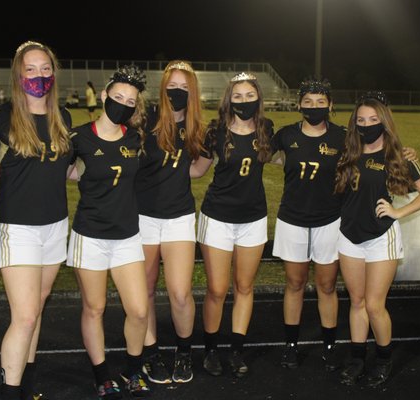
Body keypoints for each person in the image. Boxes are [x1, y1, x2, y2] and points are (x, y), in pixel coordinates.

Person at [0, 41, 74, 400]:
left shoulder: (63, 117)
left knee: (36, 308)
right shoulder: (1, 118)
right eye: (31, 69)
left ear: (54, 72)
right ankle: (9, 391)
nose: (39, 75)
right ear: (19, 74)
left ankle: (27, 386)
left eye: (45, 68)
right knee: (23, 316)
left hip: (55, 225)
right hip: (17, 227)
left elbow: (65, 170)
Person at [334, 91, 420, 387]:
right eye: (361, 120)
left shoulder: (397, 155)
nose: (366, 125)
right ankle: (356, 358)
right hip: (349, 236)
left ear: (384, 121)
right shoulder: (348, 149)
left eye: (373, 119)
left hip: (381, 237)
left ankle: (382, 359)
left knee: (374, 305)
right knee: (356, 301)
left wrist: (399, 210)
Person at [66, 65, 150, 399]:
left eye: (130, 101)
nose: (123, 104)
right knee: (95, 308)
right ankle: (102, 375)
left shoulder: (136, 137)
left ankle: (132, 371)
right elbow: (55, 173)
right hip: (90, 235)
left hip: (127, 235)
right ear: (104, 96)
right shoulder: (79, 137)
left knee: (140, 310)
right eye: (118, 97)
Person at [190, 72, 274, 378]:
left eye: (249, 95)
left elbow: (282, 156)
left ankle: (237, 350)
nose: (243, 101)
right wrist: (160, 166)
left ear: (258, 98)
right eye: (237, 96)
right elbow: (197, 170)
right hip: (217, 218)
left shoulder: (266, 129)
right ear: (228, 100)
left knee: (244, 287)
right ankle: (211, 349)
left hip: (253, 218)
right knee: (216, 289)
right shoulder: (215, 132)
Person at [135, 60, 205, 384]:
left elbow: (199, 167)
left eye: (183, 88)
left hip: (179, 217)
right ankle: (150, 353)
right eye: (172, 87)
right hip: (143, 217)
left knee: (179, 293)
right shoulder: (145, 120)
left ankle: (184, 351)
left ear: (192, 91)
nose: (177, 92)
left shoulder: (196, 126)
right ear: (163, 88)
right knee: (145, 290)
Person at [271, 78, 345, 371]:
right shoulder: (286, 134)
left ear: (330, 105)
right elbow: (263, 155)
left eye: (320, 102)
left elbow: (374, 153)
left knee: (327, 285)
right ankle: (291, 345)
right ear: (299, 104)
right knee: (295, 283)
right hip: (293, 218)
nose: (314, 107)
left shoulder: (342, 136)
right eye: (308, 102)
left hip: (330, 218)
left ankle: (329, 345)